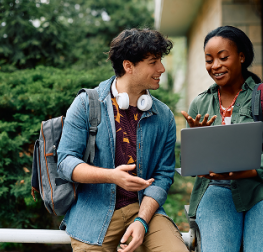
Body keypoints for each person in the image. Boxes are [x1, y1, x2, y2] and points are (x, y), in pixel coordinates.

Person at [57, 28, 189, 252]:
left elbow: (164, 175)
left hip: (144, 209)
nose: (162, 69)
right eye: (153, 62)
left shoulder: (164, 116)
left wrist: (141, 221)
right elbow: (65, 162)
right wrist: (112, 176)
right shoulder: (86, 104)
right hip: (93, 214)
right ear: (128, 66)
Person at [181, 26, 263, 252]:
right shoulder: (200, 104)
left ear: (241, 57)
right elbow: (194, 164)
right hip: (216, 190)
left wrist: (245, 172)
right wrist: (196, 143)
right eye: (209, 60)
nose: (215, 66)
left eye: (223, 58)